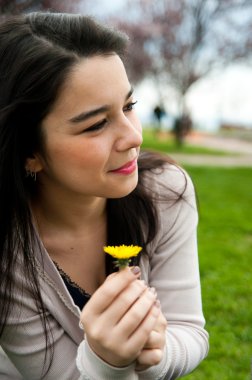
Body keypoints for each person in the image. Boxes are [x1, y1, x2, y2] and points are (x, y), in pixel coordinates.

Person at [0, 12, 209, 380]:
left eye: (129, 107)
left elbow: (190, 331)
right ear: (29, 152)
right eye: (96, 124)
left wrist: (153, 352)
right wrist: (105, 361)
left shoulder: (165, 193)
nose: (133, 138)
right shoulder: (9, 249)